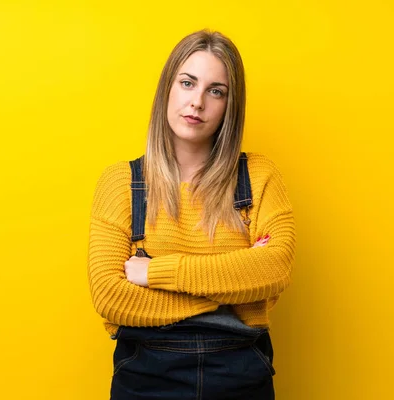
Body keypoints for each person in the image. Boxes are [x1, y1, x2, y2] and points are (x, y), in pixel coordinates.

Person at [87, 29, 296, 400]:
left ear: (230, 105)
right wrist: (234, 292)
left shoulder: (259, 176)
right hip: (146, 378)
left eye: (216, 91)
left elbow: (276, 267)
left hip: (240, 376)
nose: (197, 102)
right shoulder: (122, 182)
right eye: (187, 83)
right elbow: (110, 296)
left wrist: (155, 271)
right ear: (168, 88)